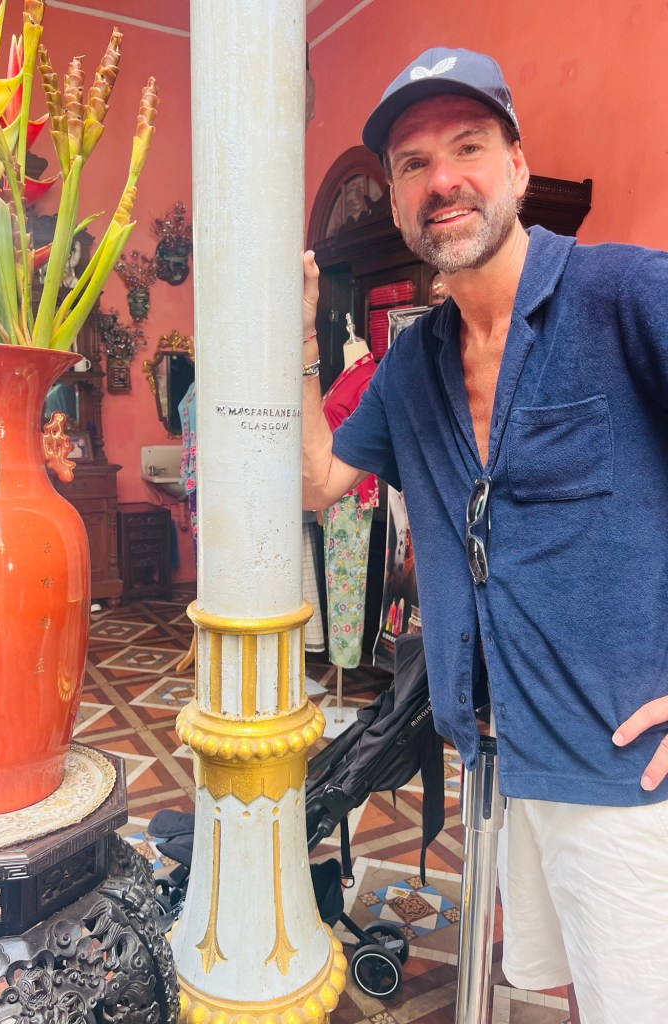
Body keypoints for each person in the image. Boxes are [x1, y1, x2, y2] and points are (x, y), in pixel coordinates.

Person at [301, 46, 668, 1024]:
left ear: (517, 163)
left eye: (467, 147)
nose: (443, 180)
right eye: (414, 164)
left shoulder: (626, 296)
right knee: (558, 985)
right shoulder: (413, 362)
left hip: (624, 767)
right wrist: (295, 338)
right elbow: (318, 479)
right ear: (395, 197)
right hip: (500, 756)